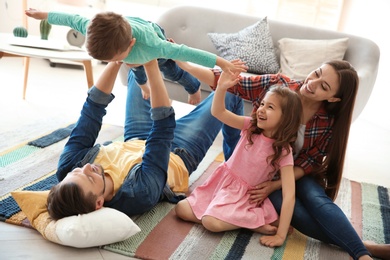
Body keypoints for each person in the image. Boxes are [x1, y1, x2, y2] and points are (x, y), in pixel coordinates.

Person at [174, 59, 372, 259]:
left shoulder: (326, 123)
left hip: (290, 173)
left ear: (334, 98)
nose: (313, 83)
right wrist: (184, 63)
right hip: (255, 175)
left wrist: (275, 186)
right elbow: (231, 84)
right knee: (296, 212)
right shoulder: (275, 93)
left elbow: (310, 163)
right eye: (317, 73)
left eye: (324, 86)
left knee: (316, 200)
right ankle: (355, 244)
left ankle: (361, 250)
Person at [45, 59, 246, 220]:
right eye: (90, 178)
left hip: (136, 138)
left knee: (135, 66)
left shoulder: (68, 167)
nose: (87, 167)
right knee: (231, 91)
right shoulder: (138, 193)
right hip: (177, 151)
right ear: (99, 203)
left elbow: (92, 110)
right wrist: (151, 65)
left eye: (78, 171)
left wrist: (117, 59)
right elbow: (162, 129)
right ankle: (236, 168)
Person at [175, 70, 302, 247]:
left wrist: (280, 235)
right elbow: (218, 112)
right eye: (263, 104)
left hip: (243, 198)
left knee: (210, 222)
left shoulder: (283, 151)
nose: (262, 110)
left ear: (286, 119)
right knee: (180, 209)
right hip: (221, 184)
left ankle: (252, 221)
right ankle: (249, 225)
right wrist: (221, 88)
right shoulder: (250, 126)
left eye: (270, 107)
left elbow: (289, 195)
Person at [25, 9, 241, 105]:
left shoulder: (154, 45)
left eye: (114, 58)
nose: (112, 64)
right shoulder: (92, 25)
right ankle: (144, 86)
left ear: (130, 44)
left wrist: (222, 63)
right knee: (135, 70)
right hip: (131, 48)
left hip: (152, 37)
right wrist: (42, 15)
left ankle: (192, 87)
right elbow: (70, 18)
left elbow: (188, 52)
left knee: (172, 71)